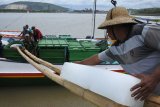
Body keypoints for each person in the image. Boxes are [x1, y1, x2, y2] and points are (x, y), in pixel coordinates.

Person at [76, 6, 160, 101]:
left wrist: (154, 78)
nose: (107, 33)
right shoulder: (115, 49)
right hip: (147, 97)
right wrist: (74, 65)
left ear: (116, 27)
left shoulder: (145, 32)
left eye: (107, 28)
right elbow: (95, 59)